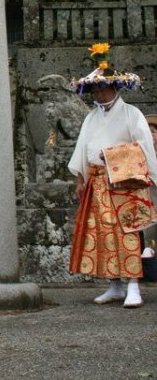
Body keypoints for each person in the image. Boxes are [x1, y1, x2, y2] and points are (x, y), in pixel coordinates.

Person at [68, 43, 157, 308]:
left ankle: (133, 285)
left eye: (103, 87)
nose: (99, 92)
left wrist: (114, 157)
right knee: (103, 234)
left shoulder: (132, 114)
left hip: (125, 183)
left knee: (128, 233)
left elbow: (143, 149)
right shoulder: (91, 118)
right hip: (97, 182)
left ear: (115, 88)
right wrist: (80, 179)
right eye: (95, 89)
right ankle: (114, 284)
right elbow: (82, 149)